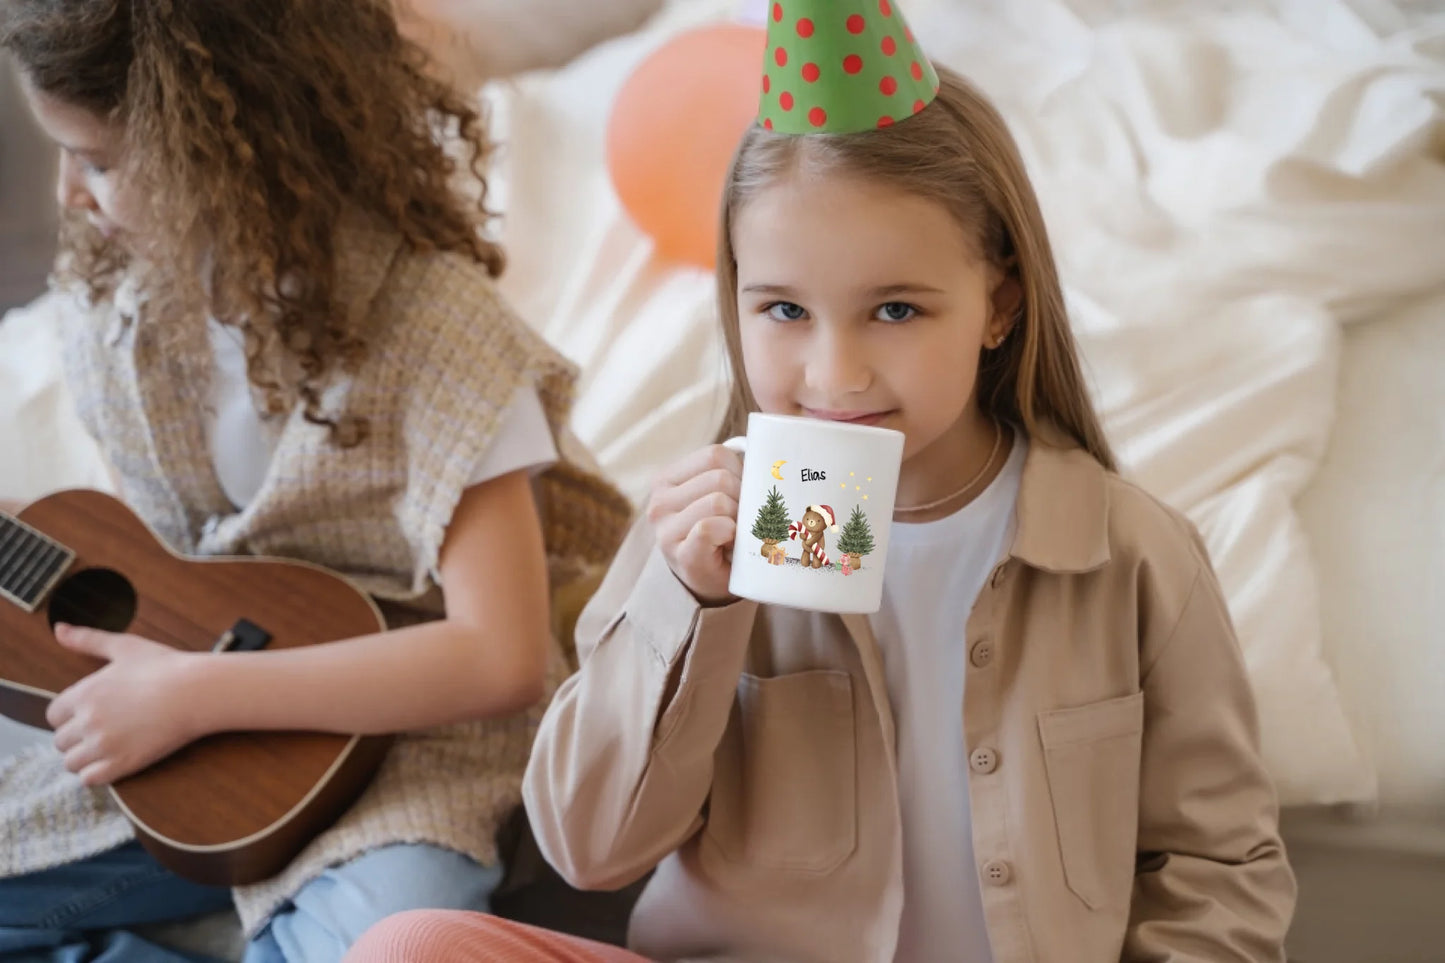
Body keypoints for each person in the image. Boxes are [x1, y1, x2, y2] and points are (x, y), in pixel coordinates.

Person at [346, 0, 1295, 959]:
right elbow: (591, 848)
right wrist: (686, 607)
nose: (834, 375)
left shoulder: (1127, 554)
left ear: (998, 303)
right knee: (410, 945)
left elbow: (1218, 865)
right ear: (736, 304)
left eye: (894, 309)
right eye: (785, 309)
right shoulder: (696, 542)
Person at [0, 1, 630, 960]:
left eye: (100, 161)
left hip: (410, 747)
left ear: (225, 144)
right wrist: (176, 690)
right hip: (196, 731)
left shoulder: (437, 332)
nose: (73, 197)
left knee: (398, 938)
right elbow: (178, 559)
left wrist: (200, 697)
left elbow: (498, 657)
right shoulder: (125, 307)